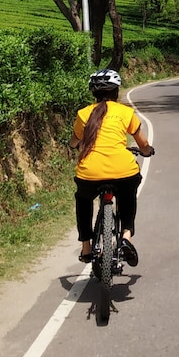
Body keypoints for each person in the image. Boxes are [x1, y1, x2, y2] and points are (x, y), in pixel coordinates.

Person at [70, 68, 153, 266]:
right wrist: (148, 150)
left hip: (89, 173)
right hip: (123, 171)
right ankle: (126, 236)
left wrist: (73, 145)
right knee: (128, 196)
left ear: (93, 93)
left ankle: (86, 247)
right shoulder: (126, 112)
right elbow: (142, 144)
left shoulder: (83, 114)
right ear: (116, 91)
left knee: (83, 200)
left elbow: (75, 141)